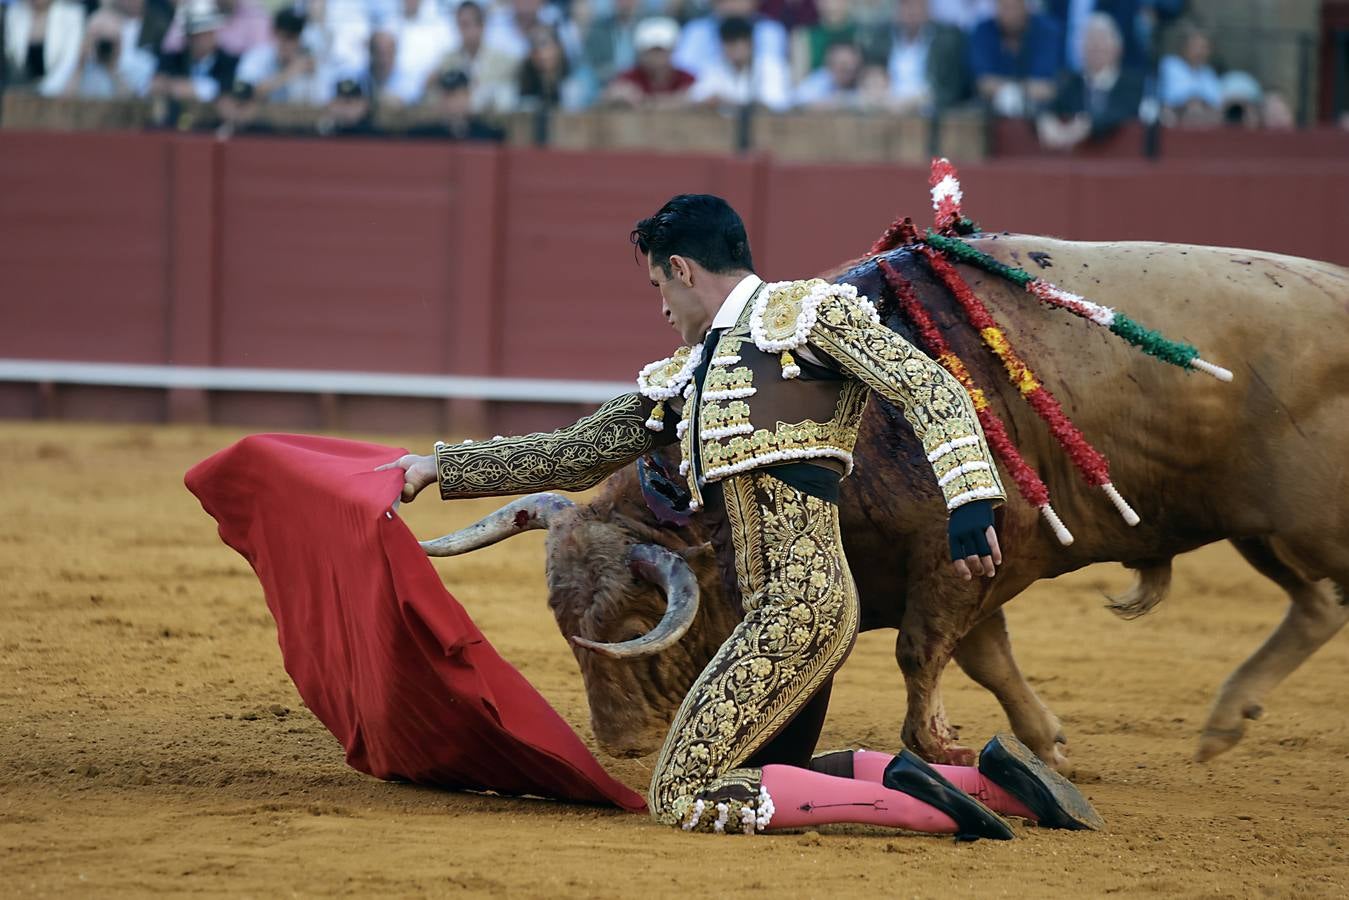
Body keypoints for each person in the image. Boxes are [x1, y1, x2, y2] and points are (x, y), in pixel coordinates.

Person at [379, 194, 1104, 838]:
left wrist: (970, 499)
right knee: (765, 768)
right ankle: (992, 786)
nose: (660, 307)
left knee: (684, 792)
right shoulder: (690, 372)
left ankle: (943, 814)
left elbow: (929, 389)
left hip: (801, 606)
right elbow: (577, 453)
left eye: (658, 285)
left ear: (683, 270)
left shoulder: (810, 315)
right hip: (766, 612)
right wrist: (439, 467)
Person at [1037, 11, 1142, 149]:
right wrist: (1046, 120)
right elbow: (1047, 106)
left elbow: (1121, 112)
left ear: (1118, 48)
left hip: (1120, 159)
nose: (1095, 47)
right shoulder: (1072, 82)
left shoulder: (1132, 83)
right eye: (1090, 41)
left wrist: (1085, 126)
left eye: (1101, 40)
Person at [969, 0, 1063, 118]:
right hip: (991, 112)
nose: (1010, 14)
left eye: (1014, 7)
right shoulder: (983, 30)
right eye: (1004, 7)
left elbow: (1047, 88)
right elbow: (983, 83)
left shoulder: (1047, 31)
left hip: (1040, 114)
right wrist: (1021, 89)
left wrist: (1008, 89)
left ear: (1027, 7)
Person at [687, 15, 790, 112]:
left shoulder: (771, 67)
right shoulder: (714, 69)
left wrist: (726, 103)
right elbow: (698, 99)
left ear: (750, 43)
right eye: (728, 42)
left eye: (738, 42)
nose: (733, 48)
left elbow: (775, 107)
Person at [883, 0, 969, 115]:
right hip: (888, 107)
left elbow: (950, 89)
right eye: (906, 6)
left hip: (926, 111)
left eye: (917, 6)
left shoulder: (946, 40)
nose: (911, 12)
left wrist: (917, 101)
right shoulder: (883, 38)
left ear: (928, 10)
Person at [436, 0, 520, 113]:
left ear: (482, 25)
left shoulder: (504, 62)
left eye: (468, 24)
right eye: (460, 25)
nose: (465, 31)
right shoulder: (448, 61)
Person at [673, 0, 787, 81]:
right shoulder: (695, 30)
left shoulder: (771, 31)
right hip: (704, 103)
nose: (732, 4)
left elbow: (773, 73)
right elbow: (683, 70)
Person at [236, 8, 326, 104]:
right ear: (275, 33)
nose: (291, 43)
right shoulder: (257, 56)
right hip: (260, 117)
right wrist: (289, 73)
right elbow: (245, 92)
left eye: (295, 37)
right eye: (287, 36)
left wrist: (312, 76)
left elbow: (323, 99)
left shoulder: (306, 59)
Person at [601, 16, 694, 107]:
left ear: (672, 51)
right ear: (641, 53)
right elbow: (606, 98)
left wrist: (645, 101)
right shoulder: (628, 78)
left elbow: (696, 98)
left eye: (661, 50)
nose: (657, 57)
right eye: (651, 51)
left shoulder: (687, 79)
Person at [151, 9, 238, 104]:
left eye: (205, 33)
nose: (200, 39)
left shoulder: (228, 62)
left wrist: (193, 88)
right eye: (195, 35)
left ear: (213, 34)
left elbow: (224, 88)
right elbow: (157, 82)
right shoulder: (174, 59)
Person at [2, 0, 86, 96]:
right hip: (18, 92)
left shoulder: (72, 14)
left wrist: (41, 92)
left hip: (57, 94)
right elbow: (10, 56)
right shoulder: (14, 13)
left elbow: (69, 62)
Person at [406, 69, 505, 140]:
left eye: (458, 95)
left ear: (468, 97)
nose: (453, 102)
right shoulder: (425, 136)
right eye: (448, 96)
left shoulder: (487, 134)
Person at [1156, 20, 1221, 126]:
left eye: (1205, 48)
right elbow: (1174, 98)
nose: (1201, 52)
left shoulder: (1209, 73)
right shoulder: (1170, 65)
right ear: (1184, 47)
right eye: (1197, 47)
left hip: (1204, 123)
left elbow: (1215, 102)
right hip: (1174, 120)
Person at [793, 38, 862, 110]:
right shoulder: (818, 81)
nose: (849, 69)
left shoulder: (860, 80)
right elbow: (798, 102)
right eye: (843, 66)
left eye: (852, 67)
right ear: (830, 65)